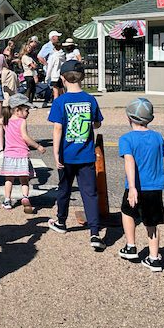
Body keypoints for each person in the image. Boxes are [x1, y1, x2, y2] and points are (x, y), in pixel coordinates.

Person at [47, 60, 104, 250]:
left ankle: (61, 221)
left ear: (63, 79)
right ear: (83, 78)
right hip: (86, 154)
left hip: (66, 153)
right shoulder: (90, 100)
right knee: (90, 193)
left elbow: (57, 128)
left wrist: (56, 153)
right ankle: (95, 232)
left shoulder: (60, 101)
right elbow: (96, 124)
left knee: (64, 188)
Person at [118, 98, 164, 273]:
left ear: (129, 118)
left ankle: (131, 246)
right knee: (151, 223)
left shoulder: (126, 139)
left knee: (127, 212)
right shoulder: (157, 137)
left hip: (136, 186)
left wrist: (132, 187)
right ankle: (154, 258)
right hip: (154, 188)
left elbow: (129, 162)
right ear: (150, 119)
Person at [0, 93, 45, 212]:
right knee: (24, 179)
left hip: (9, 155)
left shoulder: (5, 120)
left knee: (8, 179)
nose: (28, 112)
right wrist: (38, 146)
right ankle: (25, 197)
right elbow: (25, 137)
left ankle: (7, 200)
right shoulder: (22, 122)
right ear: (17, 110)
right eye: (26, 110)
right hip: (22, 155)